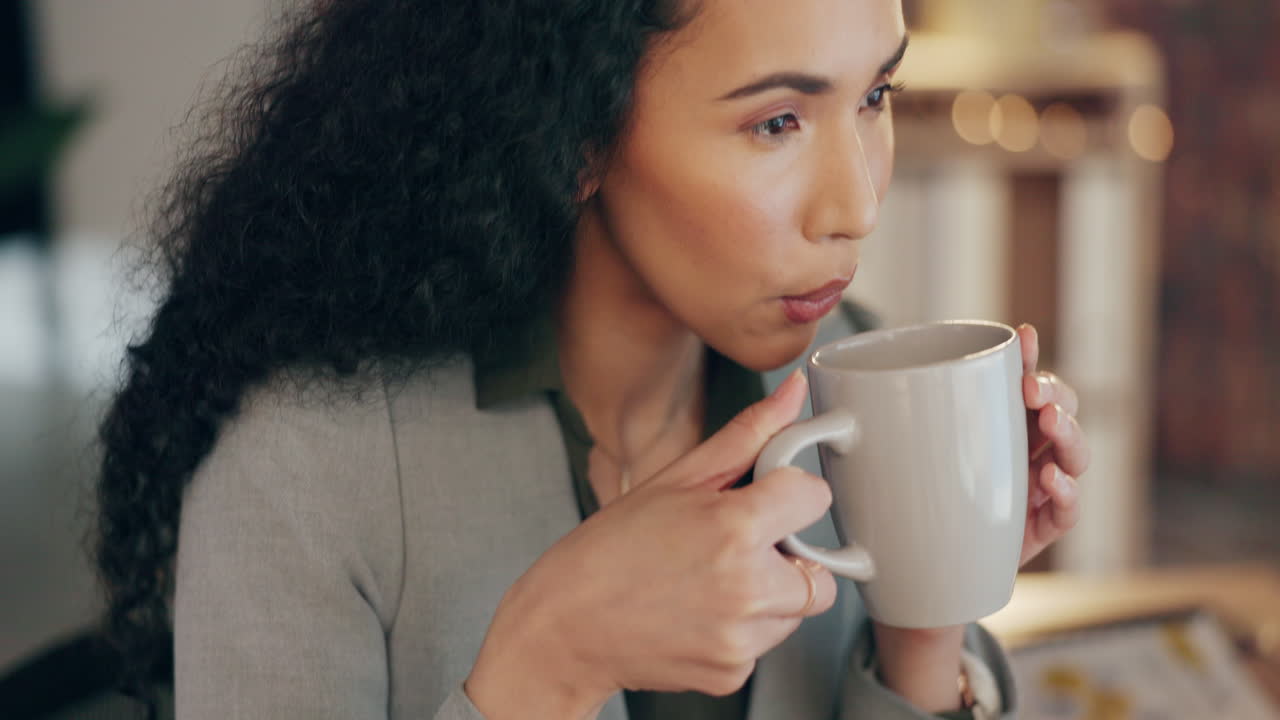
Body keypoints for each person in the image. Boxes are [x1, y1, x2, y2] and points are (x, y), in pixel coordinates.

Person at [93, 0, 1090, 718]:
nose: (858, 205)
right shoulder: (300, 471)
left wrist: (923, 611)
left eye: (875, 94)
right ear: (570, 129)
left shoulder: (845, 379)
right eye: (777, 122)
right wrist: (545, 670)